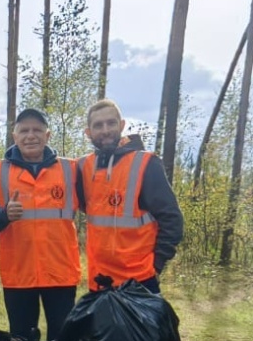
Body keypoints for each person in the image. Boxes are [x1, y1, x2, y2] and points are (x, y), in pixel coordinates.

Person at [0, 108, 80, 341]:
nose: (30, 136)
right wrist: (4, 214)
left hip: (60, 272)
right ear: (15, 136)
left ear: (48, 135)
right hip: (18, 273)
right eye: (24, 130)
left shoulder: (70, 170)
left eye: (37, 130)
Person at [76, 98, 183, 294]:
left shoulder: (146, 164)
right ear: (88, 132)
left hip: (141, 280)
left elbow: (172, 219)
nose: (106, 130)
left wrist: (156, 265)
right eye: (98, 125)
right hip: (99, 280)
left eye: (111, 123)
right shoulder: (83, 167)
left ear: (122, 125)